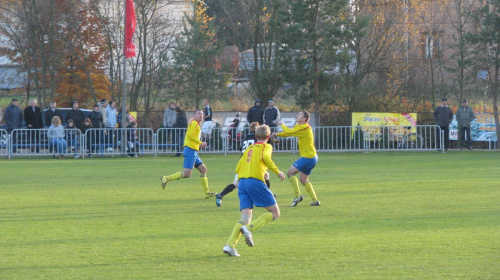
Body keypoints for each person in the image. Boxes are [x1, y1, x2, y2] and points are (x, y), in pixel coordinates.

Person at [223, 125, 285, 257]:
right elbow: (267, 159)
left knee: (245, 217)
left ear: (256, 136)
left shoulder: (249, 148)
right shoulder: (266, 146)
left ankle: (230, 245)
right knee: (275, 213)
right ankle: (249, 229)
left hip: (242, 183)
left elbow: (238, 167)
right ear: (268, 137)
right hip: (254, 181)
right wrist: (277, 172)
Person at [161, 109, 217, 199]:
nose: (201, 115)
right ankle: (166, 178)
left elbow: (193, 135)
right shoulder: (194, 123)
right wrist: (200, 142)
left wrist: (200, 142)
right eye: (199, 114)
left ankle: (207, 192)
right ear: (194, 115)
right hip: (190, 150)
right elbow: (190, 135)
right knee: (187, 174)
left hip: (193, 151)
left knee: (203, 169)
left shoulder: (197, 124)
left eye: (202, 114)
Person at [215, 122, 273, 207]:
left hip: (243, 162)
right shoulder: (258, 139)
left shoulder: (246, 137)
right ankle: (266, 197)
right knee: (262, 177)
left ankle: (221, 195)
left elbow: (240, 148)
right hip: (252, 163)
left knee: (238, 183)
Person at [272, 110, 320, 207]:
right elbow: (290, 133)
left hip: (308, 157)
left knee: (290, 173)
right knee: (303, 179)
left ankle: (297, 196)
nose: (297, 115)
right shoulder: (300, 126)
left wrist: (282, 124)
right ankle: (315, 201)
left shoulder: (305, 127)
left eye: (300, 114)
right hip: (312, 157)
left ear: (305, 119)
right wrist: (277, 135)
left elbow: (289, 131)